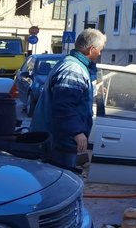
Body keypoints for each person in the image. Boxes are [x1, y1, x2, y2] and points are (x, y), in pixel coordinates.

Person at [29, 28, 106, 171]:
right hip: (58, 142)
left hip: (56, 139)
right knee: (58, 185)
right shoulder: (74, 69)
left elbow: (69, 97)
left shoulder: (72, 64)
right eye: (100, 50)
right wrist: (77, 132)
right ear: (91, 49)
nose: (100, 53)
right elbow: (63, 106)